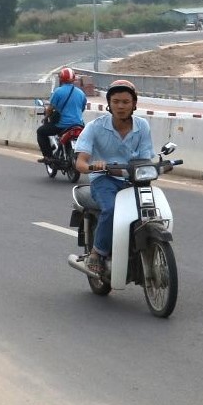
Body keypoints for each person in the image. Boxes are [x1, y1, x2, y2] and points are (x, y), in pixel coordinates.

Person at [73, 79, 153, 276]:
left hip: (134, 179)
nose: (120, 106)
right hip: (104, 179)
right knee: (111, 209)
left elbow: (145, 158)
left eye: (126, 102)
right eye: (116, 101)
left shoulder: (142, 126)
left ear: (134, 104)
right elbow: (80, 163)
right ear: (109, 103)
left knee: (151, 212)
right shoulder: (95, 127)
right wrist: (94, 166)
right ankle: (96, 253)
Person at [37, 67, 87, 163]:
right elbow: (82, 108)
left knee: (41, 132)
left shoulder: (58, 91)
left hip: (62, 125)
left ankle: (48, 156)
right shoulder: (81, 93)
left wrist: (46, 117)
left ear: (61, 79)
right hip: (79, 125)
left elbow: (50, 109)